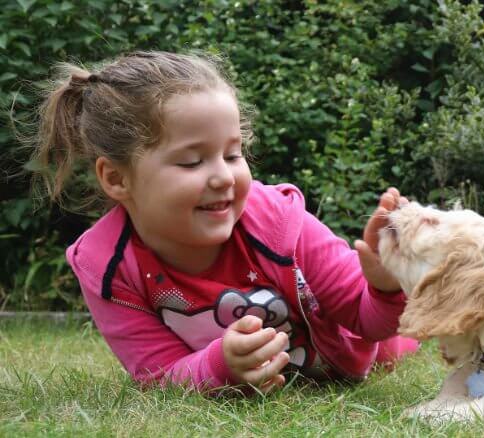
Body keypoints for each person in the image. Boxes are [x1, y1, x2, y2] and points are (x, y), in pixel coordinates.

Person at [30, 51, 418, 394]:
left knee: (400, 341)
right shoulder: (107, 267)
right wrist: (221, 366)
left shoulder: (280, 223)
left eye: (233, 155)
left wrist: (385, 286)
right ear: (116, 178)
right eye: (192, 162)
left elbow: (366, 319)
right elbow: (158, 374)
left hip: (357, 344)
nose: (223, 177)